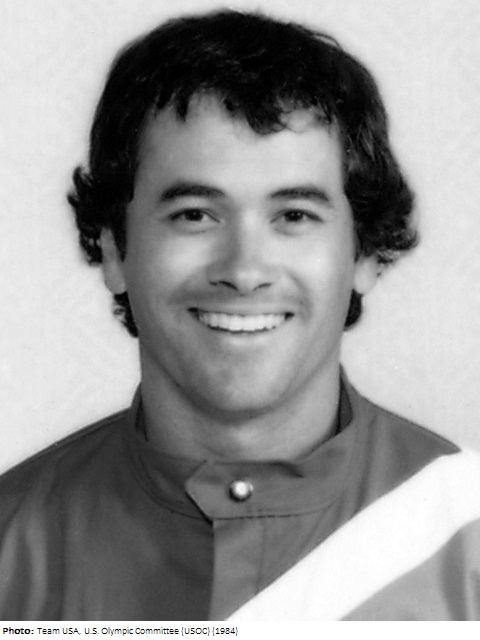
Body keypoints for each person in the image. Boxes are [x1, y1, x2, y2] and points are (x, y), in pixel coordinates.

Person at [1, 8, 479, 622]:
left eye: (294, 216)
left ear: (364, 253)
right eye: (195, 215)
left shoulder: (465, 539)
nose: (245, 269)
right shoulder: (10, 547)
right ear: (115, 250)